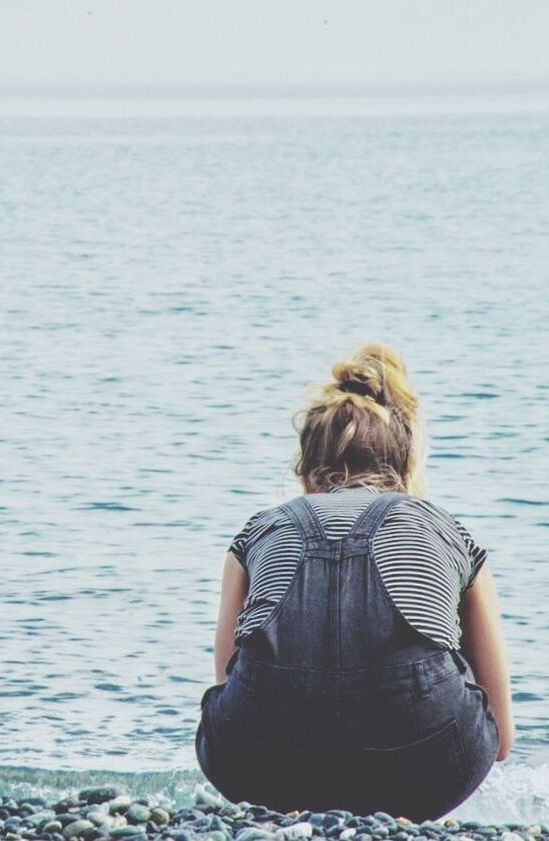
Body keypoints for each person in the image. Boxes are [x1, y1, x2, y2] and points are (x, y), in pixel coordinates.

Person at [195, 342, 515, 821]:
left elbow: (229, 684)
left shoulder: (256, 533)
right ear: (405, 470)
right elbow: (502, 739)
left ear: (304, 479)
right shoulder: (450, 533)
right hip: (426, 769)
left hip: (262, 767)